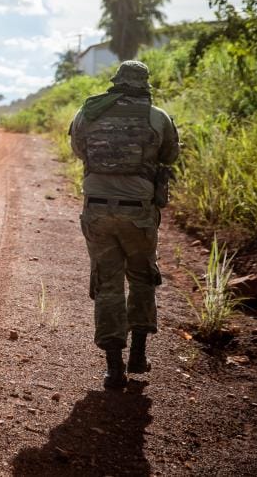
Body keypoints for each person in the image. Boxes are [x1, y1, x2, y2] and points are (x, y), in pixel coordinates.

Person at [69, 60, 179, 389]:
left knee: (108, 285)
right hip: (139, 214)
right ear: (145, 83)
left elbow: (78, 150)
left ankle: (113, 368)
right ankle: (139, 355)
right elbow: (170, 156)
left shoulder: (87, 112)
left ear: (116, 82)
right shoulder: (157, 116)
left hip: (98, 211)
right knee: (143, 278)